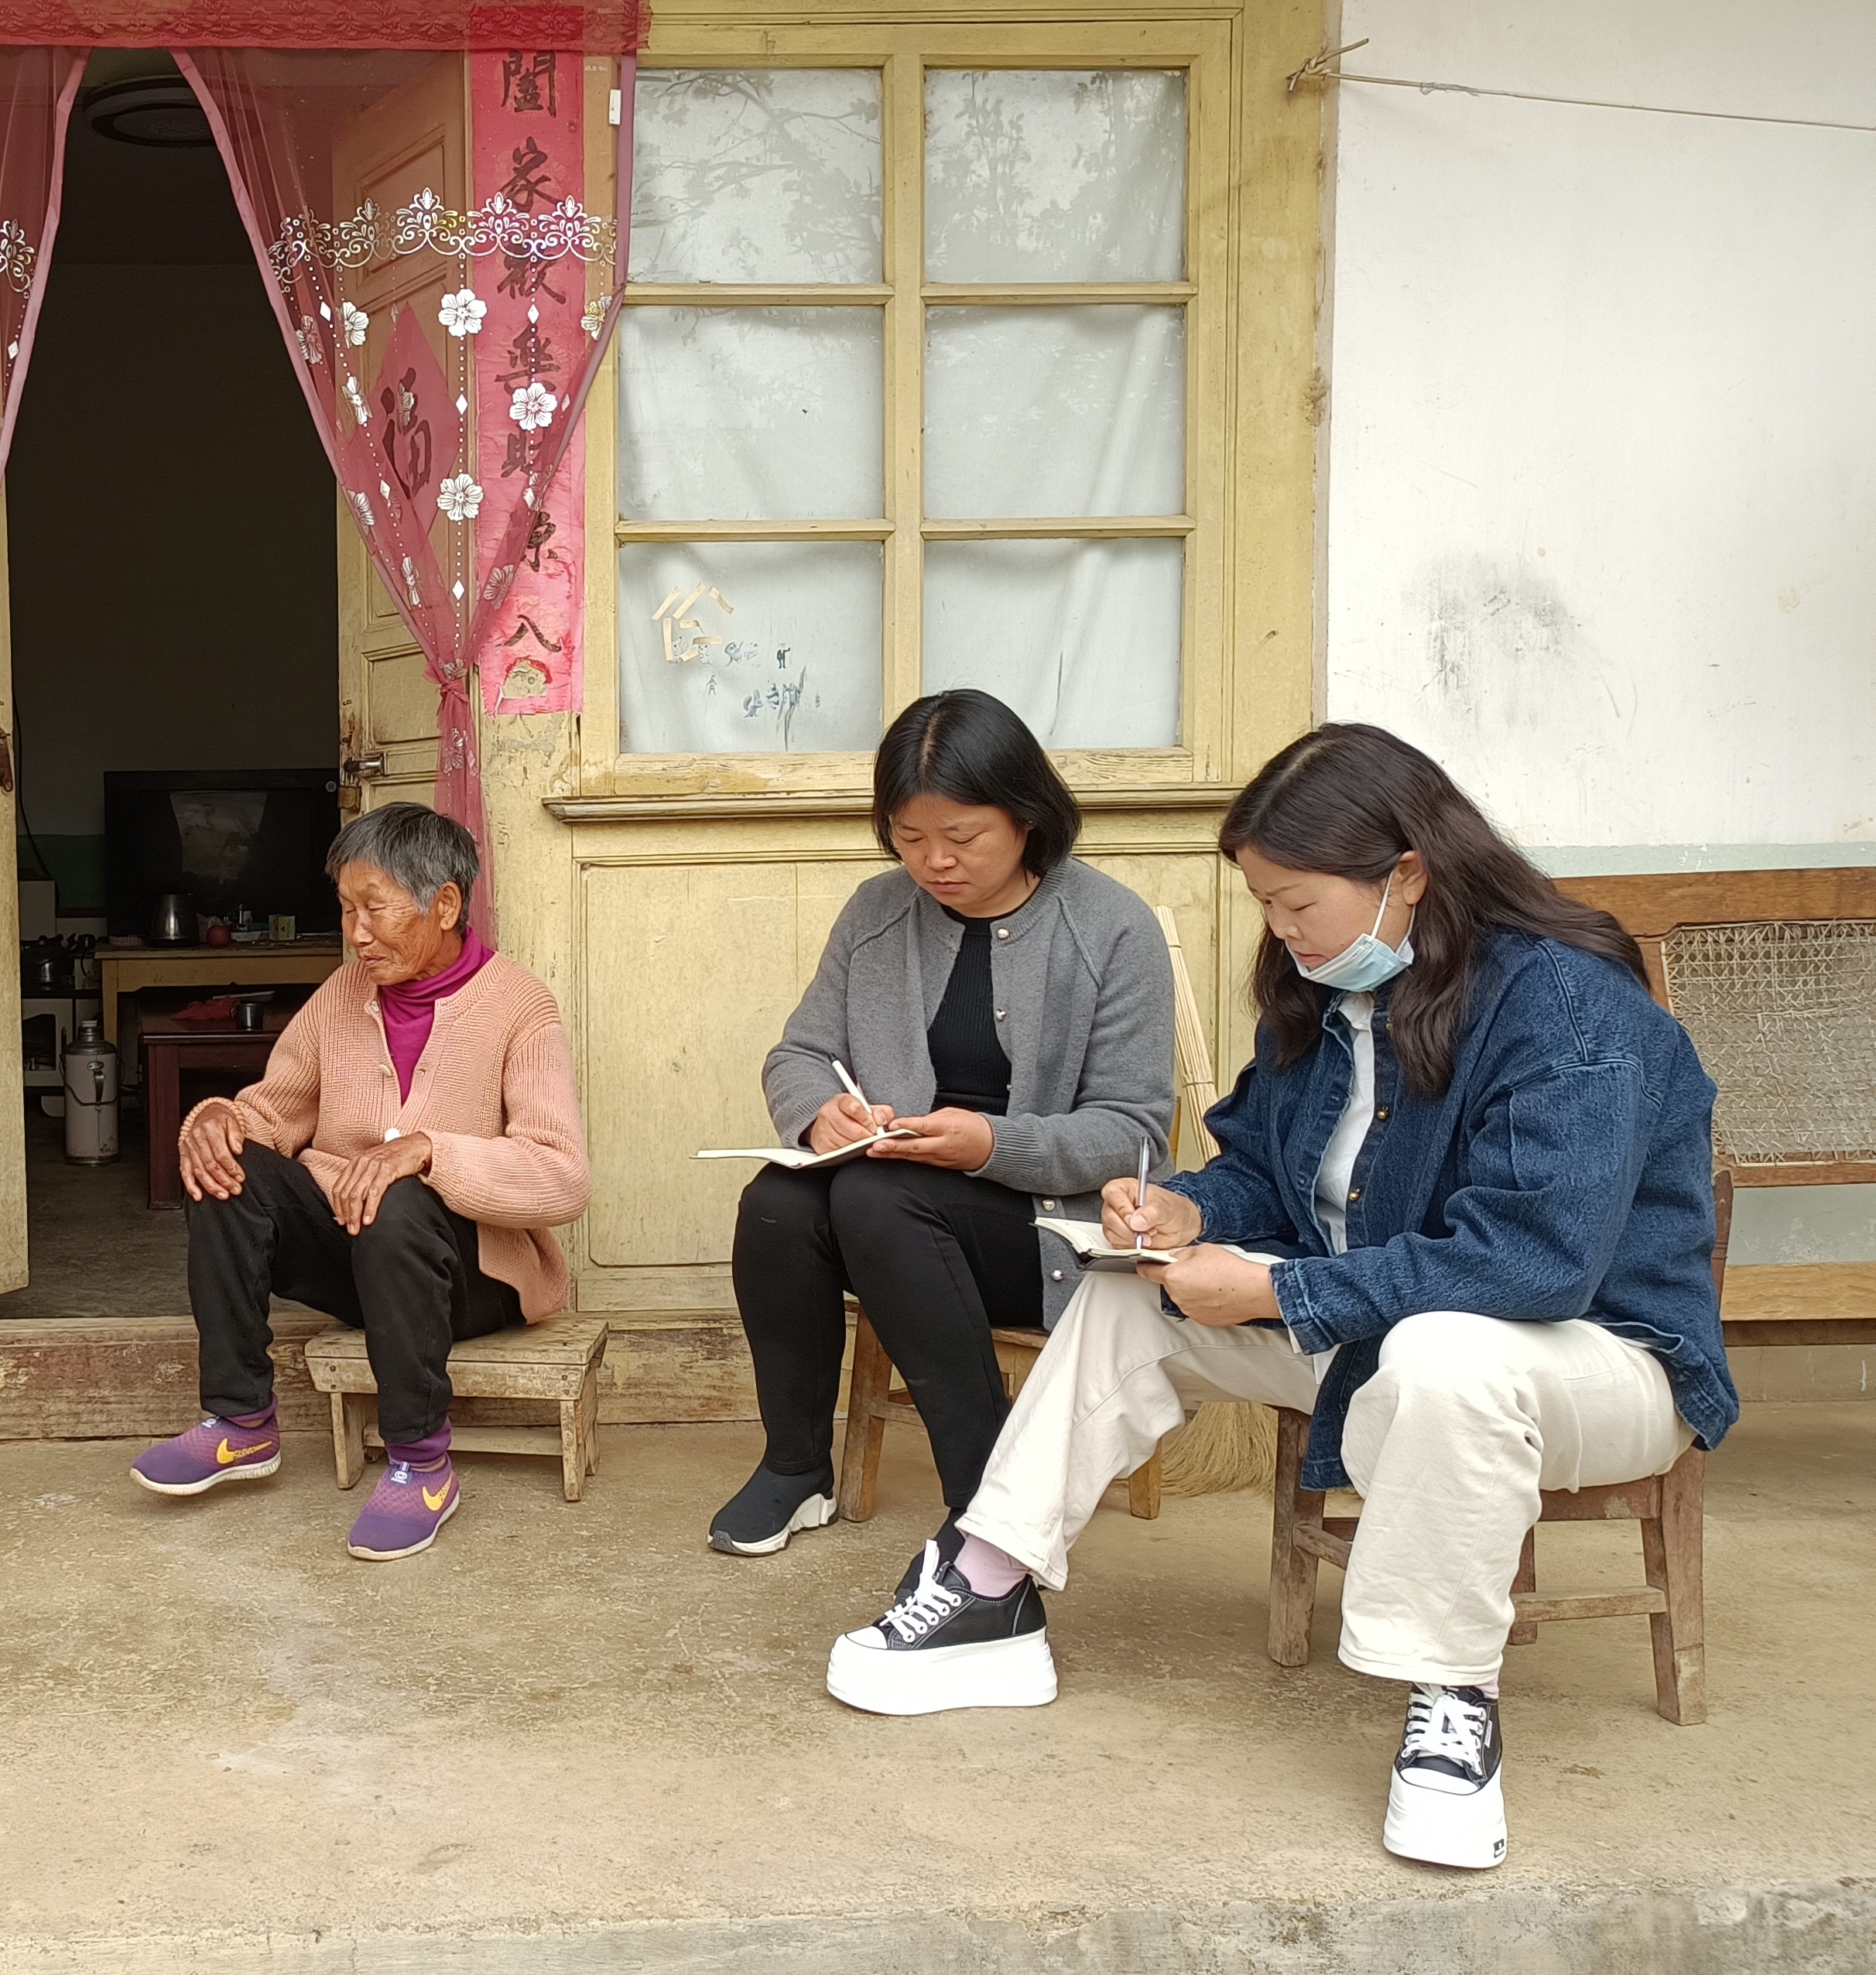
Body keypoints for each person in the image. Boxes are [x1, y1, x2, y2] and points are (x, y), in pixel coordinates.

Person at [823, 722, 1736, 1872]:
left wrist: (1281, 1287)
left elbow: (1534, 1260)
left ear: (1407, 874)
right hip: (1373, 1330)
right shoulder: (1325, 991)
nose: (1282, 930)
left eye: (1297, 902)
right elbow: (1261, 1166)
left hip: (1595, 1357)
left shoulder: (1566, 1008)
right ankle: (989, 1587)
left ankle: (1453, 1705)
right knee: (1127, 1293)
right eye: (1265, 904)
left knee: (1451, 1357)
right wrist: (1187, 1213)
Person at [715, 690, 1176, 1556]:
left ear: (1027, 817)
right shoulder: (876, 911)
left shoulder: (1112, 927)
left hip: (1043, 1230)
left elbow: (1133, 1132)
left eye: (962, 837)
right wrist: (820, 1114)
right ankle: (794, 1467)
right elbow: (799, 1053)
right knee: (776, 1200)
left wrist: (990, 1144)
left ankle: (987, 1505)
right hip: (888, 1212)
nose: (934, 861)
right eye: (909, 836)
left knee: (878, 1196)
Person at [131, 803, 589, 1562]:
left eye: (375, 909)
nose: (357, 933)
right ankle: (241, 1423)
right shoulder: (340, 997)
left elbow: (562, 1177)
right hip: (358, 1256)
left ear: (446, 904)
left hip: (472, 1278)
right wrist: (216, 1120)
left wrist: (428, 1153)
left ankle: (421, 1464)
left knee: (399, 1194)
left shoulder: (519, 1007)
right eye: (347, 910)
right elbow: (271, 1115)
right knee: (228, 1169)